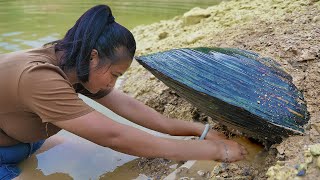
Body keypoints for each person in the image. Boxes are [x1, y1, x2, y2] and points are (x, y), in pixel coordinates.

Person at [0, 4, 247, 179]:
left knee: (84, 156)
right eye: (115, 75)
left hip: (23, 141)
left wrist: (200, 131)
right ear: (93, 56)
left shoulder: (75, 65)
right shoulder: (39, 78)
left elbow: (131, 110)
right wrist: (215, 151)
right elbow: (114, 137)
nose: (113, 84)